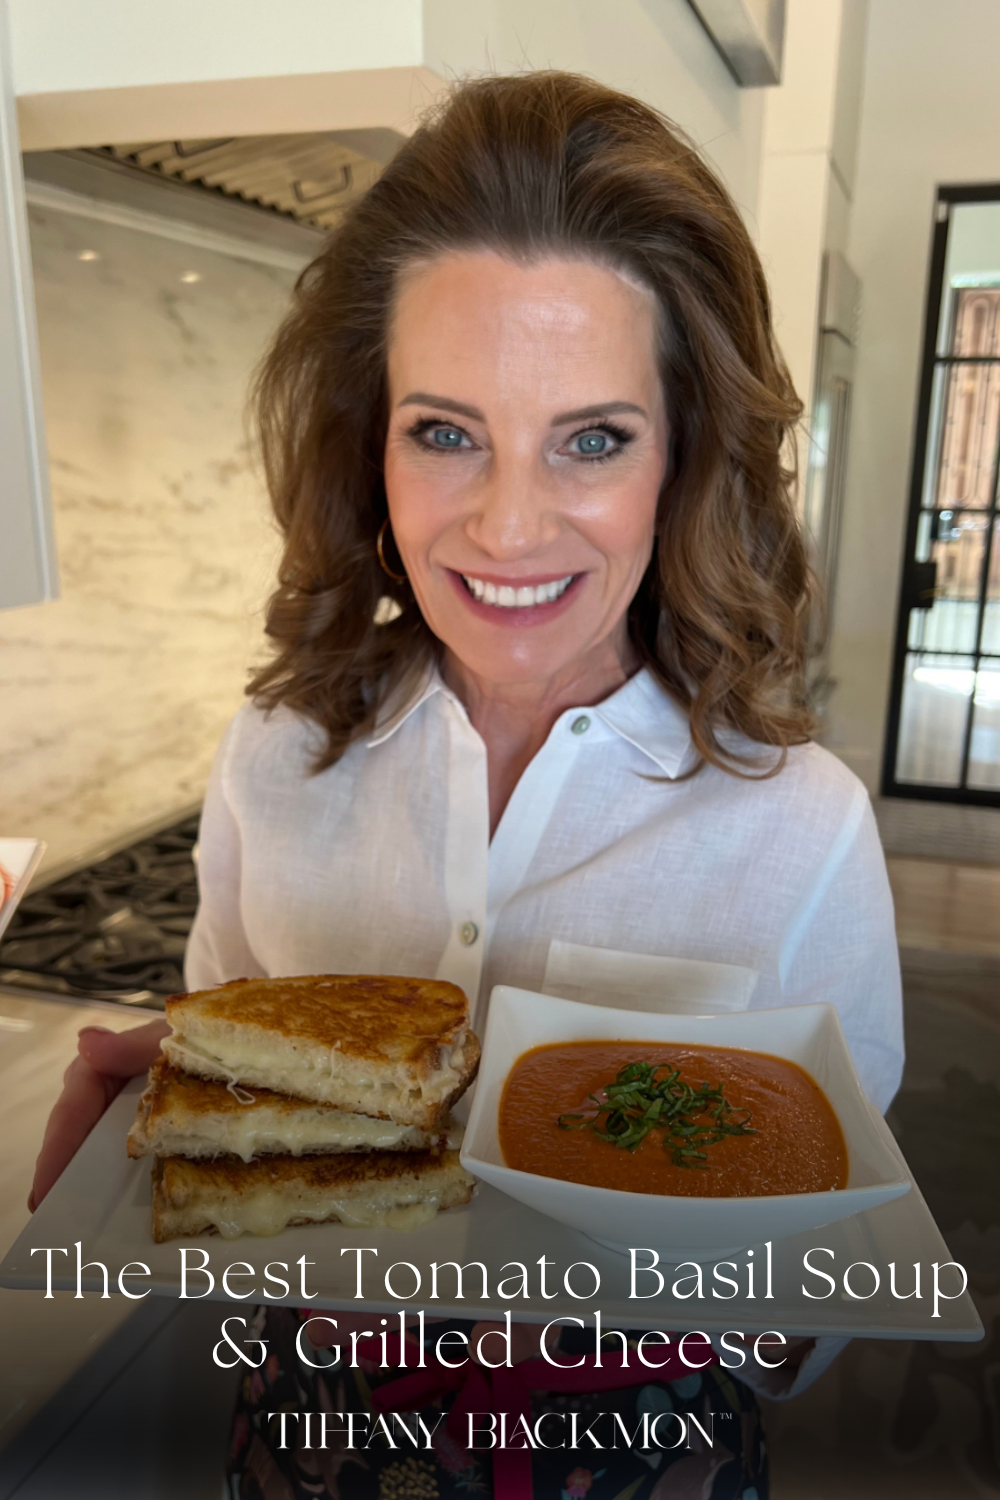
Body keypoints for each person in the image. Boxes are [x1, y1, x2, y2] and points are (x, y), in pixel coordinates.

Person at [31, 71, 903, 1500]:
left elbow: (821, 1314)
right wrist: (178, 1107)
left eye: (594, 438)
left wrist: (769, 1289)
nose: (507, 525)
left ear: (683, 455)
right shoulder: (276, 758)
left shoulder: (798, 831)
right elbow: (222, 1127)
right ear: (368, 447)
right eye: (445, 432)